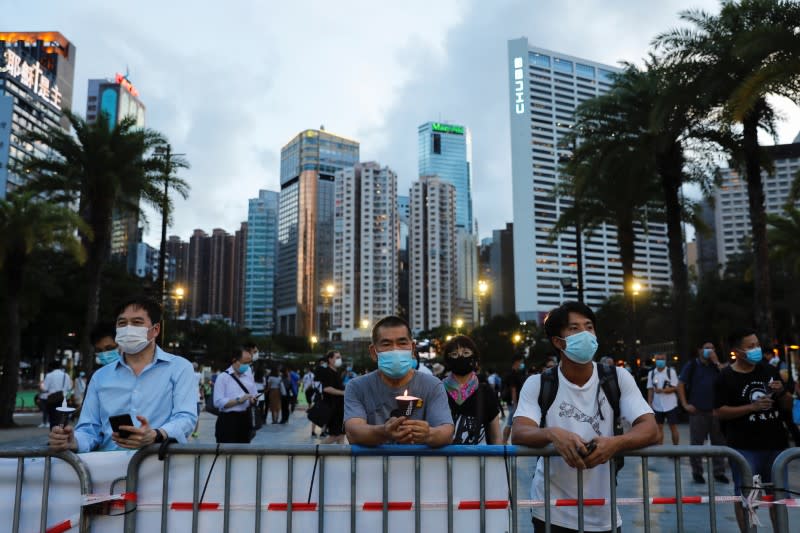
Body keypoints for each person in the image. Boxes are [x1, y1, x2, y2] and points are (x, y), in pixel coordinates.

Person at [512, 301, 657, 533]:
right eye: (574, 329)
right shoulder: (538, 383)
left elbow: (650, 428)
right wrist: (552, 434)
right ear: (558, 342)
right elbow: (519, 431)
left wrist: (616, 443)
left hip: (604, 512)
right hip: (551, 511)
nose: (585, 334)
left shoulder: (617, 378)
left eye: (589, 327)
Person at [48, 297, 197, 452]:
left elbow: (186, 418)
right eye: (122, 323)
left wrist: (155, 434)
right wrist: (74, 441)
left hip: (159, 466)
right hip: (108, 467)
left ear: (155, 330)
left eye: (137, 322)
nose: (128, 329)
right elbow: (89, 429)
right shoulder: (100, 377)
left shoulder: (179, 368)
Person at [714, 328, 792, 533]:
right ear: (737, 352)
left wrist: (782, 392)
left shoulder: (768, 370)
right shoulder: (726, 377)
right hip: (743, 448)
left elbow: (787, 405)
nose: (756, 349)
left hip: (776, 447)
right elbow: (720, 412)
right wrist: (751, 407)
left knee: (779, 497)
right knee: (747, 498)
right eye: (750, 347)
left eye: (757, 344)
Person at [344, 316, 453, 447]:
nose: (395, 350)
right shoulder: (357, 387)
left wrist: (428, 433)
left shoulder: (432, 385)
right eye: (386, 344)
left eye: (402, 343)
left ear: (412, 348)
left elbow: (446, 432)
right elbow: (353, 431)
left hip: (418, 466)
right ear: (374, 352)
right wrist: (384, 431)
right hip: (373, 466)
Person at [677, 342, 729, 484]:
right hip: (698, 411)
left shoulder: (717, 366)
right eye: (706, 347)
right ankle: (697, 472)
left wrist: (716, 362)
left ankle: (719, 472)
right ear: (699, 350)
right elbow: (680, 384)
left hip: (716, 412)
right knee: (696, 444)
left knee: (719, 443)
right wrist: (685, 404)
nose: (709, 350)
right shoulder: (692, 366)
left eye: (712, 348)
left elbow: (727, 377)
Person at [442, 335, 501, 444]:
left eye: (466, 353)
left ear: (474, 358)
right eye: (454, 354)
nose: (460, 358)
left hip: (480, 460)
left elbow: (496, 437)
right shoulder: (438, 390)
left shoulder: (485, 392)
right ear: (448, 359)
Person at [213, 349, 257, 443]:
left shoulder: (249, 376)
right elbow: (217, 402)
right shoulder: (223, 378)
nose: (247, 366)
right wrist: (238, 400)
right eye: (245, 362)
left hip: (245, 419)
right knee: (225, 452)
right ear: (235, 361)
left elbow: (254, 394)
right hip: (227, 420)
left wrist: (253, 400)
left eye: (249, 363)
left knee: (243, 453)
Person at [646, 353, 680, 446]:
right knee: (659, 427)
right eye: (658, 359)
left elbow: (675, 387)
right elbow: (650, 389)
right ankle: (660, 450)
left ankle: (676, 449)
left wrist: (663, 390)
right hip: (657, 405)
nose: (660, 361)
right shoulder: (651, 373)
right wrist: (649, 403)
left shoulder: (671, 372)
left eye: (662, 359)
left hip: (670, 404)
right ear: (655, 360)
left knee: (673, 427)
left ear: (665, 360)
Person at [316, 350, 346, 443]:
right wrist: (343, 392)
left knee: (341, 435)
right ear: (330, 359)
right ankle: (318, 450)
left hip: (339, 409)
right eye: (337, 357)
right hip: (333, 409)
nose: (339, 359)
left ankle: (342, 455)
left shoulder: (336, 372)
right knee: (335, 436)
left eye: (340, 357)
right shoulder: (327, 372)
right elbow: (326, 388)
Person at [502, 355, 526, 444]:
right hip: (513, 402)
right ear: (517, 362)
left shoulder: (512, 373)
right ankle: (504, 441)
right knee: (509, 422)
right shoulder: (513, 374)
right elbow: (513, 389)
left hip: (513, 402)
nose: (522, 364)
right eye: (521, 362)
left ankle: (506, 440)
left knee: (512, 422)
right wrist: (515, 403)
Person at [41, 361, 72, 429]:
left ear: (51, 367)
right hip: (63, 398)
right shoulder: (66, 375)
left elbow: (45, 388)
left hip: (52, 399)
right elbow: (69, 387)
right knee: (63, 419)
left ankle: (54, 435)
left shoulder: (49, 375)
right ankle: (63, 434)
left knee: (53, 419)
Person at [192, 362, 204, 438]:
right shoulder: (199, 375)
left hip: (188, 399)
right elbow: (201, 385)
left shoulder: (188, 375)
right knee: (197, 416)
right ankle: (195, 432)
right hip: (197, 398)